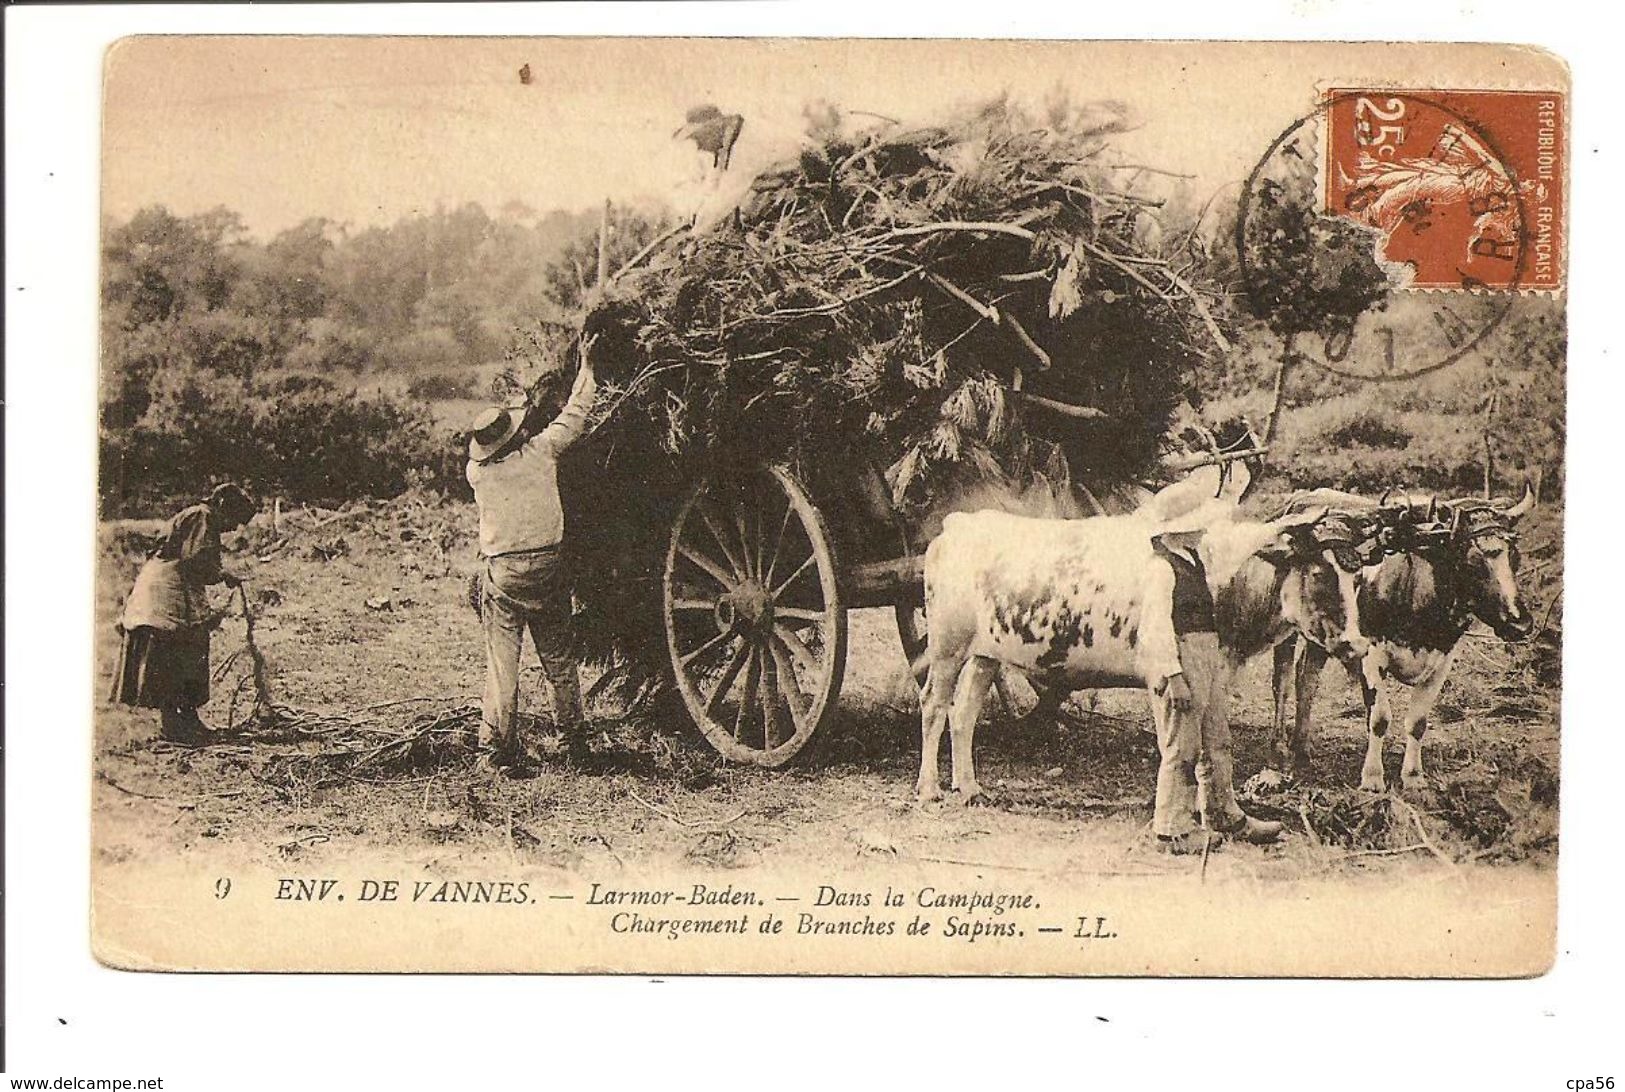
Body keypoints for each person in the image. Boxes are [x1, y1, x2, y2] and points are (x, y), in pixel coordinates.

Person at [466, 341, 598, 774]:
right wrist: (587, 366)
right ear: (516, 435)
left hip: (504, 576)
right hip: (547, 569)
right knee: (559, 660)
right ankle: (576, 745)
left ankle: (495, 751)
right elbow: (575, 414)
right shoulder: (542, 453)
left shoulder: (478, 474)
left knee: (503, 666)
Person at [1145, 529, 1284, 854]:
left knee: (1217, 740)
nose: (1204, 529)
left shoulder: (1192, 560)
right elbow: (1155, 627)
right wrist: (1174, 675)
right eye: (1197, 524)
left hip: (1206, 653)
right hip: (1182, 655)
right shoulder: (1161, 568)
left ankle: (1223, 814)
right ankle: (1172, 830)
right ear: (1175, 530)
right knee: (1182, 746)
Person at [110, 483, 258, 745]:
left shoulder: (199, 516)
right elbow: (196, 559)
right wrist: (223, 574)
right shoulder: (204, 515)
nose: (233, 529)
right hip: (168, 589)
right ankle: (174, 726)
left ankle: (188, 721)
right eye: (234, 521)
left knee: (189, 649)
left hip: (175, 585)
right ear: (223, 506)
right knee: (174, 651)